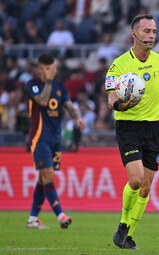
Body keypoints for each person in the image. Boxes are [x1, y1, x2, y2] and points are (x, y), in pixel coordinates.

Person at [106, 14, 159, 249]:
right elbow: (111, 97)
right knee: (135, 180)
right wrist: (119, 105)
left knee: (146, 187)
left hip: (153, 128)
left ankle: (128, 235)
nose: (151, 36)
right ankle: (123, 224)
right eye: (146, 31)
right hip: (128, 126)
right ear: (134, 34)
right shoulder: (119, 65)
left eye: (153, 32)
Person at [26, 53, 86, 229]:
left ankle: (32, 219)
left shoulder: (60, 86)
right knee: (48, 175)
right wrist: (49, 81)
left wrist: (78, 118)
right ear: (41, 69)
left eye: (53, 68)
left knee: (43, 178)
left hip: (55, 138)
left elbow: (68, 105)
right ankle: (60, 215)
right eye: (48, 68)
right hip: (39, 138)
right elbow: (43, 101)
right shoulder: (33, 85)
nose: (52, 71)